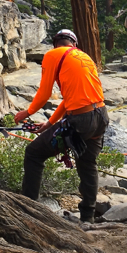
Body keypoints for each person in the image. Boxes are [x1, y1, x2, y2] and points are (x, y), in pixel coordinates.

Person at [14, 29, 109, 223]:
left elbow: (44, 92)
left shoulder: (52, 55)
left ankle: (28, 210)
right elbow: (68, 100)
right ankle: (87, 217)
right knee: (87, 164)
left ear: (56, 44)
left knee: (34, 153)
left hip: (82, 120)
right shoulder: (84, 57)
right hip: (101, 116)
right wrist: (49, 123)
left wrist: (27, 113)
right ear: (73, 44)